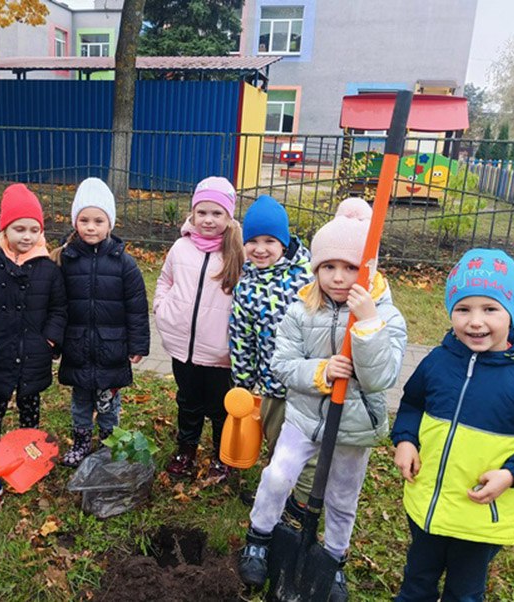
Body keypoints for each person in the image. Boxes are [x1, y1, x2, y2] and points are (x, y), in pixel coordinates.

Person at [237, 198, 407, 602]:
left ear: (367, 269)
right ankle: (259, 536)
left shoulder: (387, 316)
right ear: (315, 268)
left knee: (342, 498)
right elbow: (281, 364)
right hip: (304, 417)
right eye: (328, 267)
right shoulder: (301, 310)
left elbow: (381, 376)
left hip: (353, 429)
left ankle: (332, 561)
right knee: (278, 475)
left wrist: (366, 325)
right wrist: (321, 372)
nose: (338, 277)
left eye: (350, 267)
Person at [392, 248, 514, 602]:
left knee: (464, 593)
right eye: (463, 309)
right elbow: (413, 402)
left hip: (480, 518)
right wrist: (405, 440)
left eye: (490, 309)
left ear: (513, 313)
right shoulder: (438, 361)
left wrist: (511, 474)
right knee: (416, 582)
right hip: (427, 506)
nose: (475, 322)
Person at [0, 183, 67, 494]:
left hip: (33, 356)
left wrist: (49, 341)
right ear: (5, 229)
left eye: (33, 229)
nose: (26, 236)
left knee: (30, 408)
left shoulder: (49, 270)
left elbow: (59, 308)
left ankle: (29, 457)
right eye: (19, 228)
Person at [51, 177, 150, 467]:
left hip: (112, 349)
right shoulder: (65, 260)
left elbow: (136, 308)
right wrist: (56, 341)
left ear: (110, 224)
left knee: (109, 401)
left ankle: (109, 440)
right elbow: (58, 306)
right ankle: (81, 440)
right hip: (78, 346)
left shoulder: (124, 264)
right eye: (84, 220)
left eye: (98, 220)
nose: (91, 227)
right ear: (75, 222)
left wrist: (138, 344)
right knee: (81, 399)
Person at [154, 176, 244, 483]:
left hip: (219, 352)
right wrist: (163, 309)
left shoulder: (236, 253)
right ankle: (186, 450)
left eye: (217, 213)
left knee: (221, 408)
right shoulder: (181, 248)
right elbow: (165, 280)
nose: (208, 220)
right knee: (188, 401)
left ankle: (223, 456)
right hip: (183, 348)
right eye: (202, 212)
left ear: (228, 216)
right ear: (192, 213)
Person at [229, 194, 314, 510]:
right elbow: (242, 336)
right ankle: (278, 490)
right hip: (272, 385)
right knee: (276, 440)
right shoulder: (246, 282)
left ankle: (299, 496)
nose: (260, 249)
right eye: (252, 241)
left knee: (304, 444)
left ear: (284, 241)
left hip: (306, 383)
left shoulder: (306, 277)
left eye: (269, 240)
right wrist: (242, 380)